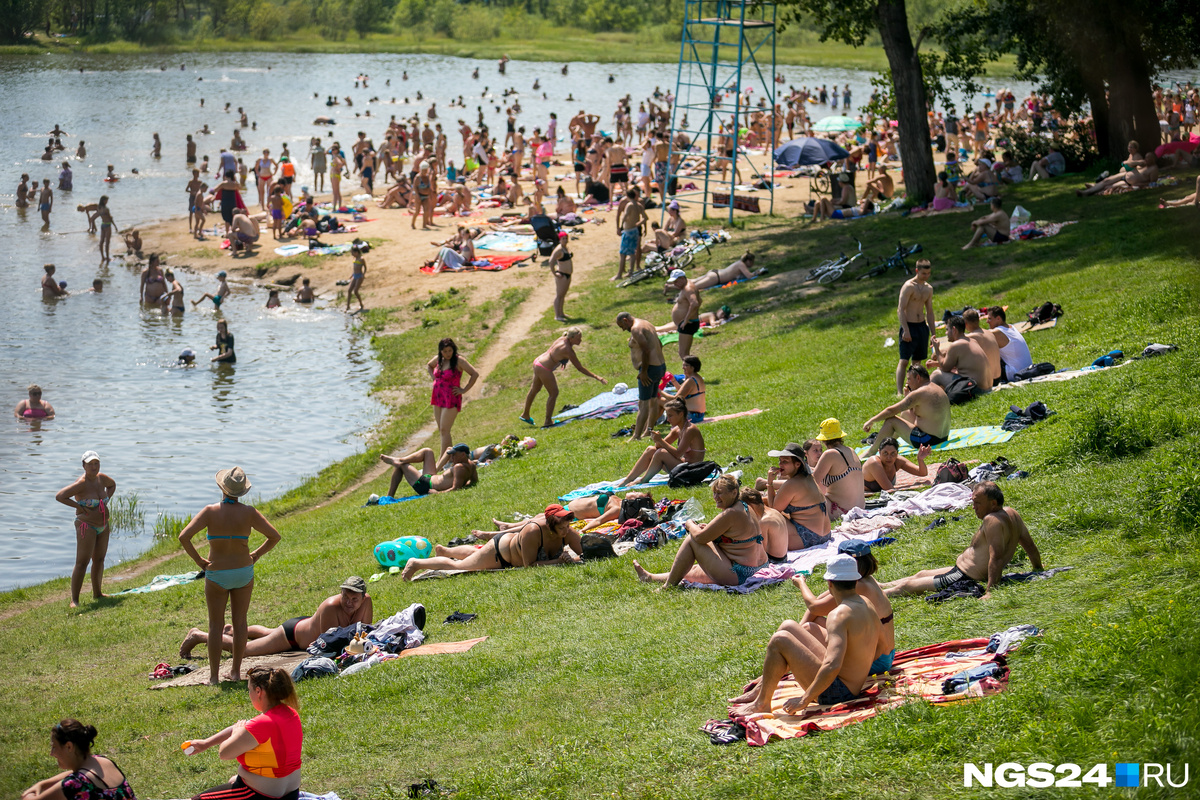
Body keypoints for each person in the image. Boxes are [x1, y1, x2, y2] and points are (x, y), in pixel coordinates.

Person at [729, 554, 880, 716]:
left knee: (780, 640)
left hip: (839, 692)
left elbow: (832, 665)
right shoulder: (866, 602)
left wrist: (804, 700)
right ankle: (761, 690)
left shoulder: (838, 615)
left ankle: (762, 704)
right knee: (789, 626)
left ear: (829, 584)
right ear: (856, 581)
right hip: (850, 682)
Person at [178, 467, 282, 684]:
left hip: (217, 573)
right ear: (242, 491)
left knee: (215, 626)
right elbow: (274, 536)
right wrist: (256, 554)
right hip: (243, 572)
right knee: (240, 622)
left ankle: (214, 677)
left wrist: (199, 561)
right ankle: (235, 672)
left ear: (221, 488)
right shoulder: (250, 512)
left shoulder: (209, 511)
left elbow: (184, 537)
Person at [883, 482, 1044, 599]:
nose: (973, 507)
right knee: (921, 574)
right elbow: (1028, 544)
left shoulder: (992, 520)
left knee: (906, 587)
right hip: (961, 570)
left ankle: (877, 596)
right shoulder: (1012, 513)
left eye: (977, 503)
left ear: (993, 503)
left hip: (965, 576)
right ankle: (880, 586)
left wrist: (990, 591)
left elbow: (997, 557)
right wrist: (1038, 567)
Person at [185, 667, 302, 800]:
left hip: (262, 795)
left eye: (249, 690)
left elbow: (224, 753)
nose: (249, 694)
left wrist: (237, 732)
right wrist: (206, 743)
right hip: (291, 794)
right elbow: (246, 729)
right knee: (232, 779)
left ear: (258, 691)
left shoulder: (261, 724)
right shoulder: (289, 713)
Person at [180, 577, 372, 658]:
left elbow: (364, 631)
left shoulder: (366, 602)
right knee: (245, 650)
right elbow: (329, 644)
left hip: (305, 625)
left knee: (269, 633)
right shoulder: (331, 607)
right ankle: (199, 635)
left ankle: (231, 631)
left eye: (354, 599)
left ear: (363, 598)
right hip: (293, 636)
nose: (349, 603)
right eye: (345, 597)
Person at [633, 474, 767, 588]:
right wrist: (709, 529)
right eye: (714, 492)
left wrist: (690, 523)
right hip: (759, 567)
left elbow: (700, 538)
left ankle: (668, 586)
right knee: (696, 570)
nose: (715, 497)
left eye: (719, 493)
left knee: (692, 539)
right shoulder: (744, 506)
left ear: (733, 492)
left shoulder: (730, 513)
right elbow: (734, 534)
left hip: (741, 574)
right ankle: (650, 577)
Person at [402, 504, 582, 580]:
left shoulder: (565, 528)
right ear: (550, 526)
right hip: (499, 552)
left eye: (568, 527)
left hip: (507, 551)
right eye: (562, 529)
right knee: (462, 566)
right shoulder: (533, 532)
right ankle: (416, 563)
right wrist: (558, 562)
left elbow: (584, 551)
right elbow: (529, 565)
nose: (566, 532)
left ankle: (447, 551)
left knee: (476, 554)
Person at [55, 451, 116, 608]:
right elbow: (60, 496)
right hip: (86, 526)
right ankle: (74, 600)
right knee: (82, 562)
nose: (94, 467)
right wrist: (78, 507)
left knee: (100, 559)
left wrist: (106, 500)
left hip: (103, 524)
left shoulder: (102, 478)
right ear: (84, 466)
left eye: (96, 463)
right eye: (90, 464)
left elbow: (112, 485)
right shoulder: (81, 484)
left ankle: (98, 593)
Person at [21, 720, 136, 800]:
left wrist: (29, 793)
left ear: (69, 747)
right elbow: (77, 772)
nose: (52, 753)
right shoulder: (103, 761)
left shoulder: (75, 784)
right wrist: (42, 784)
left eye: (54, 747)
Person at [520, 328, 607, 428]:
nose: (580, 340)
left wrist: (563, 361)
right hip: (544, 368)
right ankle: (548, 421)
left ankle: (525, 414)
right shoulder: (568, 350)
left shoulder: (562, 338)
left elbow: (556, 353)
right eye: (578, 338)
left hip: (538, 362)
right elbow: (580, 368)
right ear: (571, 338)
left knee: (535, 389)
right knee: (553, 393)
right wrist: (597, 377)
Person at [755, 441, 831, 550]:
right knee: (761, 503)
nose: (780, 465)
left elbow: (774, 511)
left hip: (808, 539)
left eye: (785, 461)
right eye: (780, 461)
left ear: (797, 464)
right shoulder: (809, 478)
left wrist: (770, 483)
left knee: (763, 512)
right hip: (825, 535)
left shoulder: (792, 484)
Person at [862, 364, 951, 454]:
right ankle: (889, 441)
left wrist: (871, 421)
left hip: (927, 441)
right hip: (943, 436)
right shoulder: (936, 388)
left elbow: (891, 411)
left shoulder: (919, 393)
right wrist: (908, 396)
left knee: (891, 421)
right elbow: (920, 411)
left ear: (918, 378)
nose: (907, 383)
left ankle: (870, 453)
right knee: (905, 414)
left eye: (909, 379)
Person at [616, 398, 706, 487]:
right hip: (683, 466)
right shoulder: (677, 429)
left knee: (661, 453)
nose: (668, 419)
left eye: (670, 416)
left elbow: (678, 454)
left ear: (681, 414)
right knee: (650, 449)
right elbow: (658, 447)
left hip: (692, 471)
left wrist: (660, 440)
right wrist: (656, 439)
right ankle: (628, 479)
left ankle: (643, 480)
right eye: (667, 415)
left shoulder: (690, 429)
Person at [616, 311, 667, 440]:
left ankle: (636, 436)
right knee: (653, 400)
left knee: (643, 403)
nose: (623, 330)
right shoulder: (646, 323)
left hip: (650, 369)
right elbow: (659, 344)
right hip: (660, 366)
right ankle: (649, 430)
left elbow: (646, 350)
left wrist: (644, 371)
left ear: (625, 320)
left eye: (622, 326)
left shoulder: (636, 329)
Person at [427, 338, 479, 454]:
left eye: (450, 351)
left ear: (453, 349)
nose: (447, 354)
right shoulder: (439, 359)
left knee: (445, 430)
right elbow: (429, 366)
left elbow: (474, 374)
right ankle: (449, 458)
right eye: (445, 351)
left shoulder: (459, 361)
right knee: (441, 430)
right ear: (440, 351)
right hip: (438, 397)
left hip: (451, 398)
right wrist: (434, 378)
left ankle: (442, 460)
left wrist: (464, 390)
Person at [811, 419, 864, 519]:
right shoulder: (850, 450)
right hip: (860, 508)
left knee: (802, 495)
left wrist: (776, 483)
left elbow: (811, 482)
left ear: (823, 440)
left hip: (840, 510)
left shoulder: (830, 454)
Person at [381, 443, 478, 498]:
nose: (451, 458)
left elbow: (455, 488)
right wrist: (463, 482)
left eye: (454, 455)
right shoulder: (471, 465)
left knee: (401, 466)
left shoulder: (459, 467)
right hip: (431, 477)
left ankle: (389, 496)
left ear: (463, 455)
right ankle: (400, 459)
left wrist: (438, 493)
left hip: (425, 485)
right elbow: (474, 481)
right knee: (427, 451)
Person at [895, 259, 935, 395]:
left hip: (921, 326)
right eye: (924, 273)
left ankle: (914, 389)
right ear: (917, 271)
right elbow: (900, 309)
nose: (926, 276)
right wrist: (905, 329)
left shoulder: (928, 288)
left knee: (917, 362)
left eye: (928, 273)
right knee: (904, 360)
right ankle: (900, 391)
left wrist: (933, 333)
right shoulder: (909, 286)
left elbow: (930, 311)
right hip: (909, 325)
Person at [929, 314, 992, 394]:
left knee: (936, 374)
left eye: (947, 330)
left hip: (976, 389)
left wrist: (937, 349)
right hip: (987, 387)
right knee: (941, 371)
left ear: (954, 330)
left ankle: (925, 401)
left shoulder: (957, 345)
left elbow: (945, 367)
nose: (945, 333)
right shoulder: (972, 341)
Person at [741, 487, 793, 563]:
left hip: (774, 561)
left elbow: (761, 552)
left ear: (750, 506)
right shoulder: (773, 511)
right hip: (783, 557)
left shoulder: (764, 521)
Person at [863, 438, 930, 492]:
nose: (889, 457)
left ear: (897, 453)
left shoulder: (897, 461)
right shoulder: (874, 462)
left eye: (893, 453)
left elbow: (922, 473)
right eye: (885, 453)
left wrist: (920, 460)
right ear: (879, 452)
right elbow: (889, 489)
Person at [986, 306, 1033, 382]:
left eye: (990, 319)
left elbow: (979, 335)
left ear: (998, 318)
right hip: (1028, 369)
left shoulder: (998, 332)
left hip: (1016, 373)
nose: (987, 321)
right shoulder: (1011, 327)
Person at [1078, 152, 1159, 196]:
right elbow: (1128, 164)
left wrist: (1138, 184)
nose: (1146, 159)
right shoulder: (1143, 164)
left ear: (1153, 159)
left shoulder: (1153, 169)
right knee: (1106, 180)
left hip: (1129, 182)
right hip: (1125, 174)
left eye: (1148, 158)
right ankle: (1089, 190)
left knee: (1109, 187)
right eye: (1146, 157)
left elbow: (1152, 183)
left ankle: (1089, 192)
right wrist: (1138, 162)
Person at [664, 269, 702, 360]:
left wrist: (686, 319)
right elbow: (700, 301)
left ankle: (692, 373)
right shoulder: (687, 286)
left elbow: (695, 303)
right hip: (688, 323)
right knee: (684, 353)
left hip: (688, 324)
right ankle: (690, 373)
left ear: (682, 278)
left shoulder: (688, 288)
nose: (675, 284)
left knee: (684, 354)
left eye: (676, 282)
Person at [614, 186, 647, 281]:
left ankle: (619, 274)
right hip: (635, 230)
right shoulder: (639, 205)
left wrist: (620, 227)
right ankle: (631, 271)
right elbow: (645, 218)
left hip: (628, 231)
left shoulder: (629, 205)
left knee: (623, 253)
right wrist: (638, 223)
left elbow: (625, 216)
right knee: (632, 252)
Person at [962, 307, 1002, 384]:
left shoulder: (970, 337)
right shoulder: (989, 333)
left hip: (988, 381)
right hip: (998, 378)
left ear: (965, 324)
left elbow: (950, 351)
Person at [662, 355, 705, 422]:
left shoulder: (691, 380)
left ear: (692, 367)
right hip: (699, 415)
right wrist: (673, 380)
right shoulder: (697, 378)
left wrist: (658, 390)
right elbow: (682, 392)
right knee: (660, 400)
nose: (683, 368)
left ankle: (650, 425)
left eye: (685, 365)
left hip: (692, 417)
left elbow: (675, 399)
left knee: (659, 400)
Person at [692, 252, 762, 290]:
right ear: (748, 261)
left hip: (715, 273)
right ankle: (682, 291)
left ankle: (682, 283)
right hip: (716, 278)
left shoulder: (738, 263)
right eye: (752, 262)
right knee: (694, 287)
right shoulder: (741, 264)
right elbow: (749, 276)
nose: (753, 264)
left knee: (694, 281)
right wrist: (757, 272)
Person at [547, 232, 573, 322]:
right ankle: (557, 315)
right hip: (562, 275)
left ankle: (561, 313)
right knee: (559, 295)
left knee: (563, 295)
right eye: (563, 239)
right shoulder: (558, 249)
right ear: (560, 239)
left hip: (568, 275)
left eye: (566, 238)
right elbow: (551, 261)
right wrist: (554, 273)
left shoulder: (566, 248)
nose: (565, 240)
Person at [345, 242, 366, 312]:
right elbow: (354, 268)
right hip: (355, 275)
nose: (352, 254)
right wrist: (352, 275)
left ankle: (361, 304)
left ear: (356, 252)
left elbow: (365, 267)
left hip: (359, 275)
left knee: (356, 291)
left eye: (352, 253)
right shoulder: (354, 258)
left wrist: (364, 274)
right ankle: (348, 306)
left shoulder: (361, 259)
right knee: (349, 290)